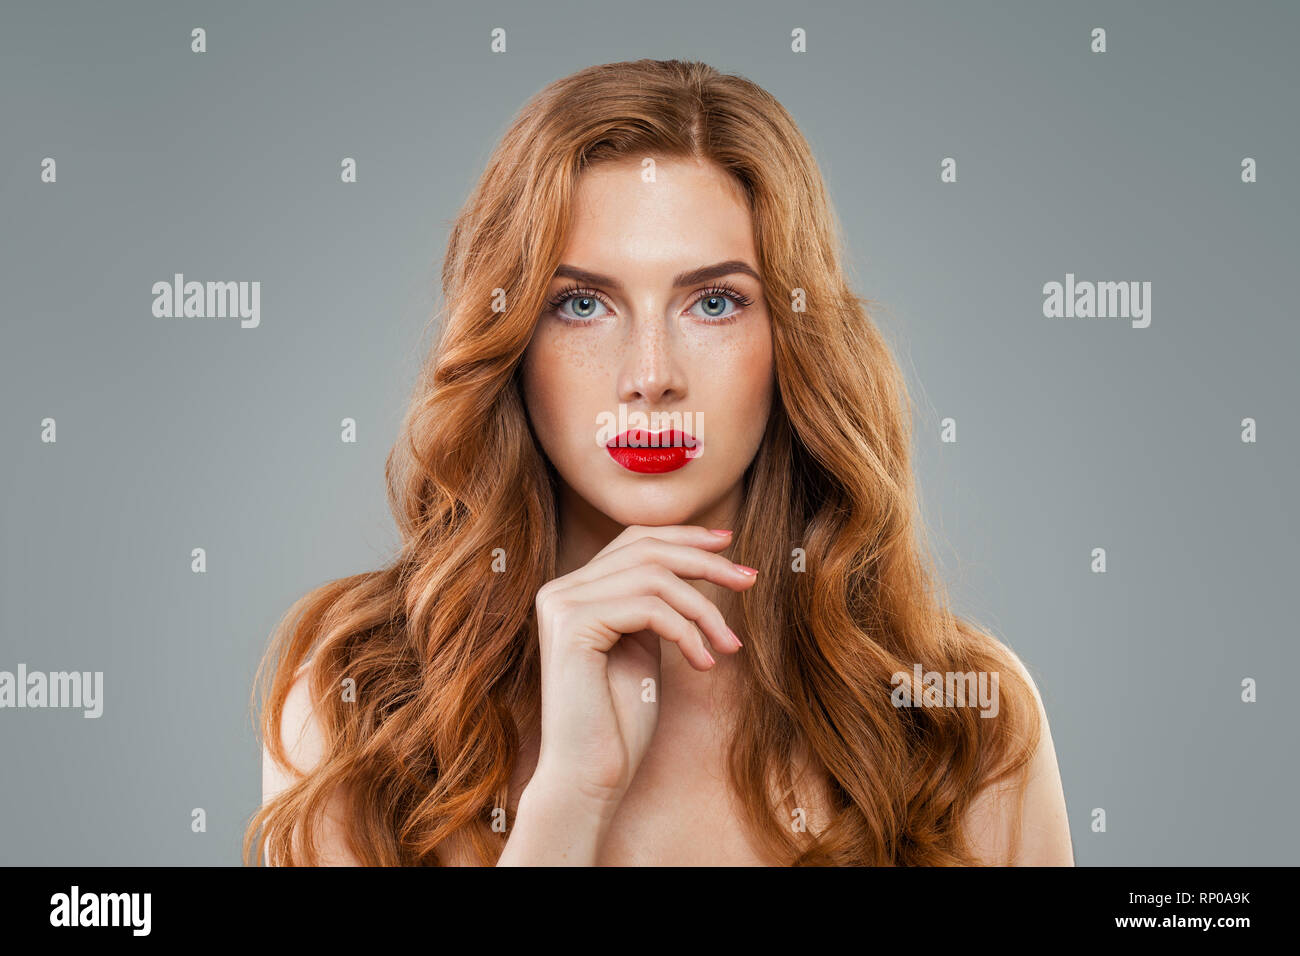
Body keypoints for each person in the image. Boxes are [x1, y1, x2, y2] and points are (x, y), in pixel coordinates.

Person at [245, 58, 1073, 866]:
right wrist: (570, 799)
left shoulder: (965, 720)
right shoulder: (360, 701)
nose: (649, 377)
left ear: (792, 338)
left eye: (714, 303)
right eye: (582, 305)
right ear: (515, 340)